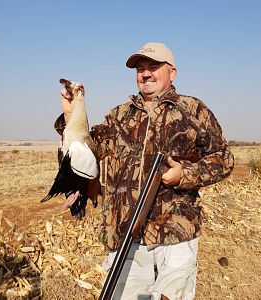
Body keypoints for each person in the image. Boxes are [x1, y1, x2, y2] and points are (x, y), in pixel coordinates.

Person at [56, 42, 234, 300]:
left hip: (175, 233)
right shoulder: (119, 115)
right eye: (140, 68)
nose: (146, 73)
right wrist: (71, 115)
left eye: (153, 67)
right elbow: (87, 150)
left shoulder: (193, 110)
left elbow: (224, 159)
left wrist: (184, 175)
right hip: (126, 233)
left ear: (172, 72)